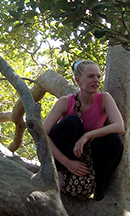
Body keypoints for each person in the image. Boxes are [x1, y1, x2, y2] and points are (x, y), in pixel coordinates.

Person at [43, 60, 125, 200]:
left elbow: (119, 126)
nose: (96, 80)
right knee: (72, 121)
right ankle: (60, 173)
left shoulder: (104, 98)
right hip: (63, 156)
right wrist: (67, 163)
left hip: (85, 153)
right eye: (91, 76)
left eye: (98, 76)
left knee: (115, 139)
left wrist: (87, 135)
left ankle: (99, 185)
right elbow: (42, 135)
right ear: (78, 80)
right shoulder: (65, 102)